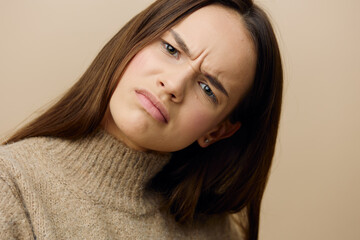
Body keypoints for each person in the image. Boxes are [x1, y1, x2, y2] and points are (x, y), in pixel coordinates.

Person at [0, 0, 282, 239]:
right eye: (172, 50)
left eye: (207, 88)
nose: (173, 85)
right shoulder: (12, 187)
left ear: (217, 131)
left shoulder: (215, 229)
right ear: (134, 41)